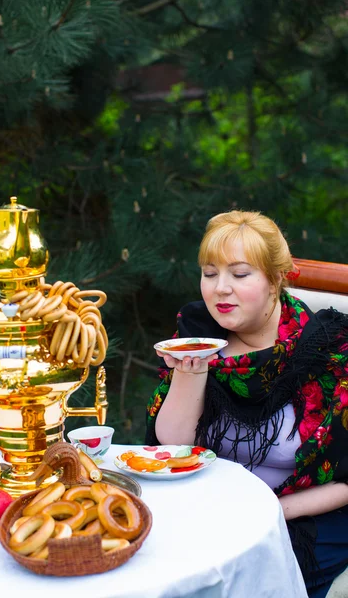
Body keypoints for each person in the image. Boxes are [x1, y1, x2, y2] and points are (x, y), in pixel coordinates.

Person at [145, 210, 348, 598]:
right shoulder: (198, 336)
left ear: (275, 279)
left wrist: (262, 512)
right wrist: (193, 371)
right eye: (209, 273)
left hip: (303, 518)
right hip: (209, 512)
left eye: (239, 275)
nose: (220, 288)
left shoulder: (328, 349)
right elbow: (171, 444)